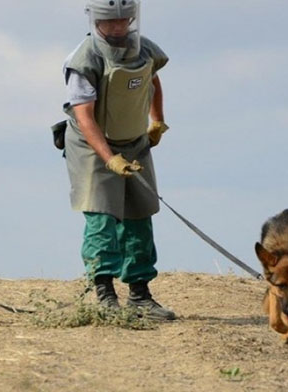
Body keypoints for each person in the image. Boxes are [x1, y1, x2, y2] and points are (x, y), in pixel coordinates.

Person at [60, 0, 175, 320]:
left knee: (140, 214)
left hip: (134, 143)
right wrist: (109, 158)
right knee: (102, 217)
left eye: (125, 19)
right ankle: (104, 294)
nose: (118, 26)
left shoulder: (143, 50)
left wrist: (157, 121)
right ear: (96, 20)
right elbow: (84, 117)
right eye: (111, 21)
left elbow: (152, 80)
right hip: (92, 145)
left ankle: (140, 295)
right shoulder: (85, 59)